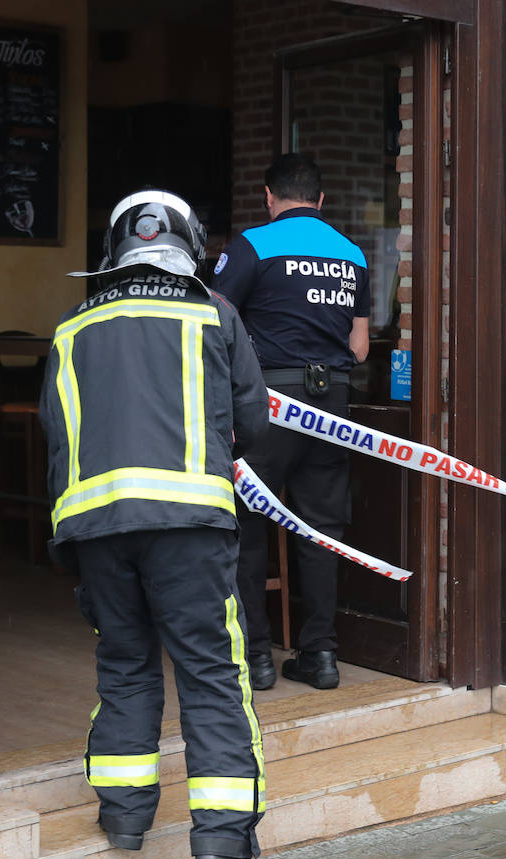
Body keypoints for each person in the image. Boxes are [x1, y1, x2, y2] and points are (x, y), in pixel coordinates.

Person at [39, 189, 270, 859]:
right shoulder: (214, 313)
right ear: (191, 244)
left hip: (98, 530)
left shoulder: (73, 326)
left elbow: (56, 434)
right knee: (209, 672)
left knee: (126, 665)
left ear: (117, 250)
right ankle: (221, 848)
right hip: (190, 528)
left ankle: (125, 819)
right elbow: (252, 422)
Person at [213, 152, 371, 692]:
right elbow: (360, 346)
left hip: (270, 403)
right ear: (321, 200)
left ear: (268, 196)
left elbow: (214, 327)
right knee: (322, 529)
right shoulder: (351, 254)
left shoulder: (252, 246)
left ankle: (256, 659)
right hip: (333, 407)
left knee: (246, 520)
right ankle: (321, 656)